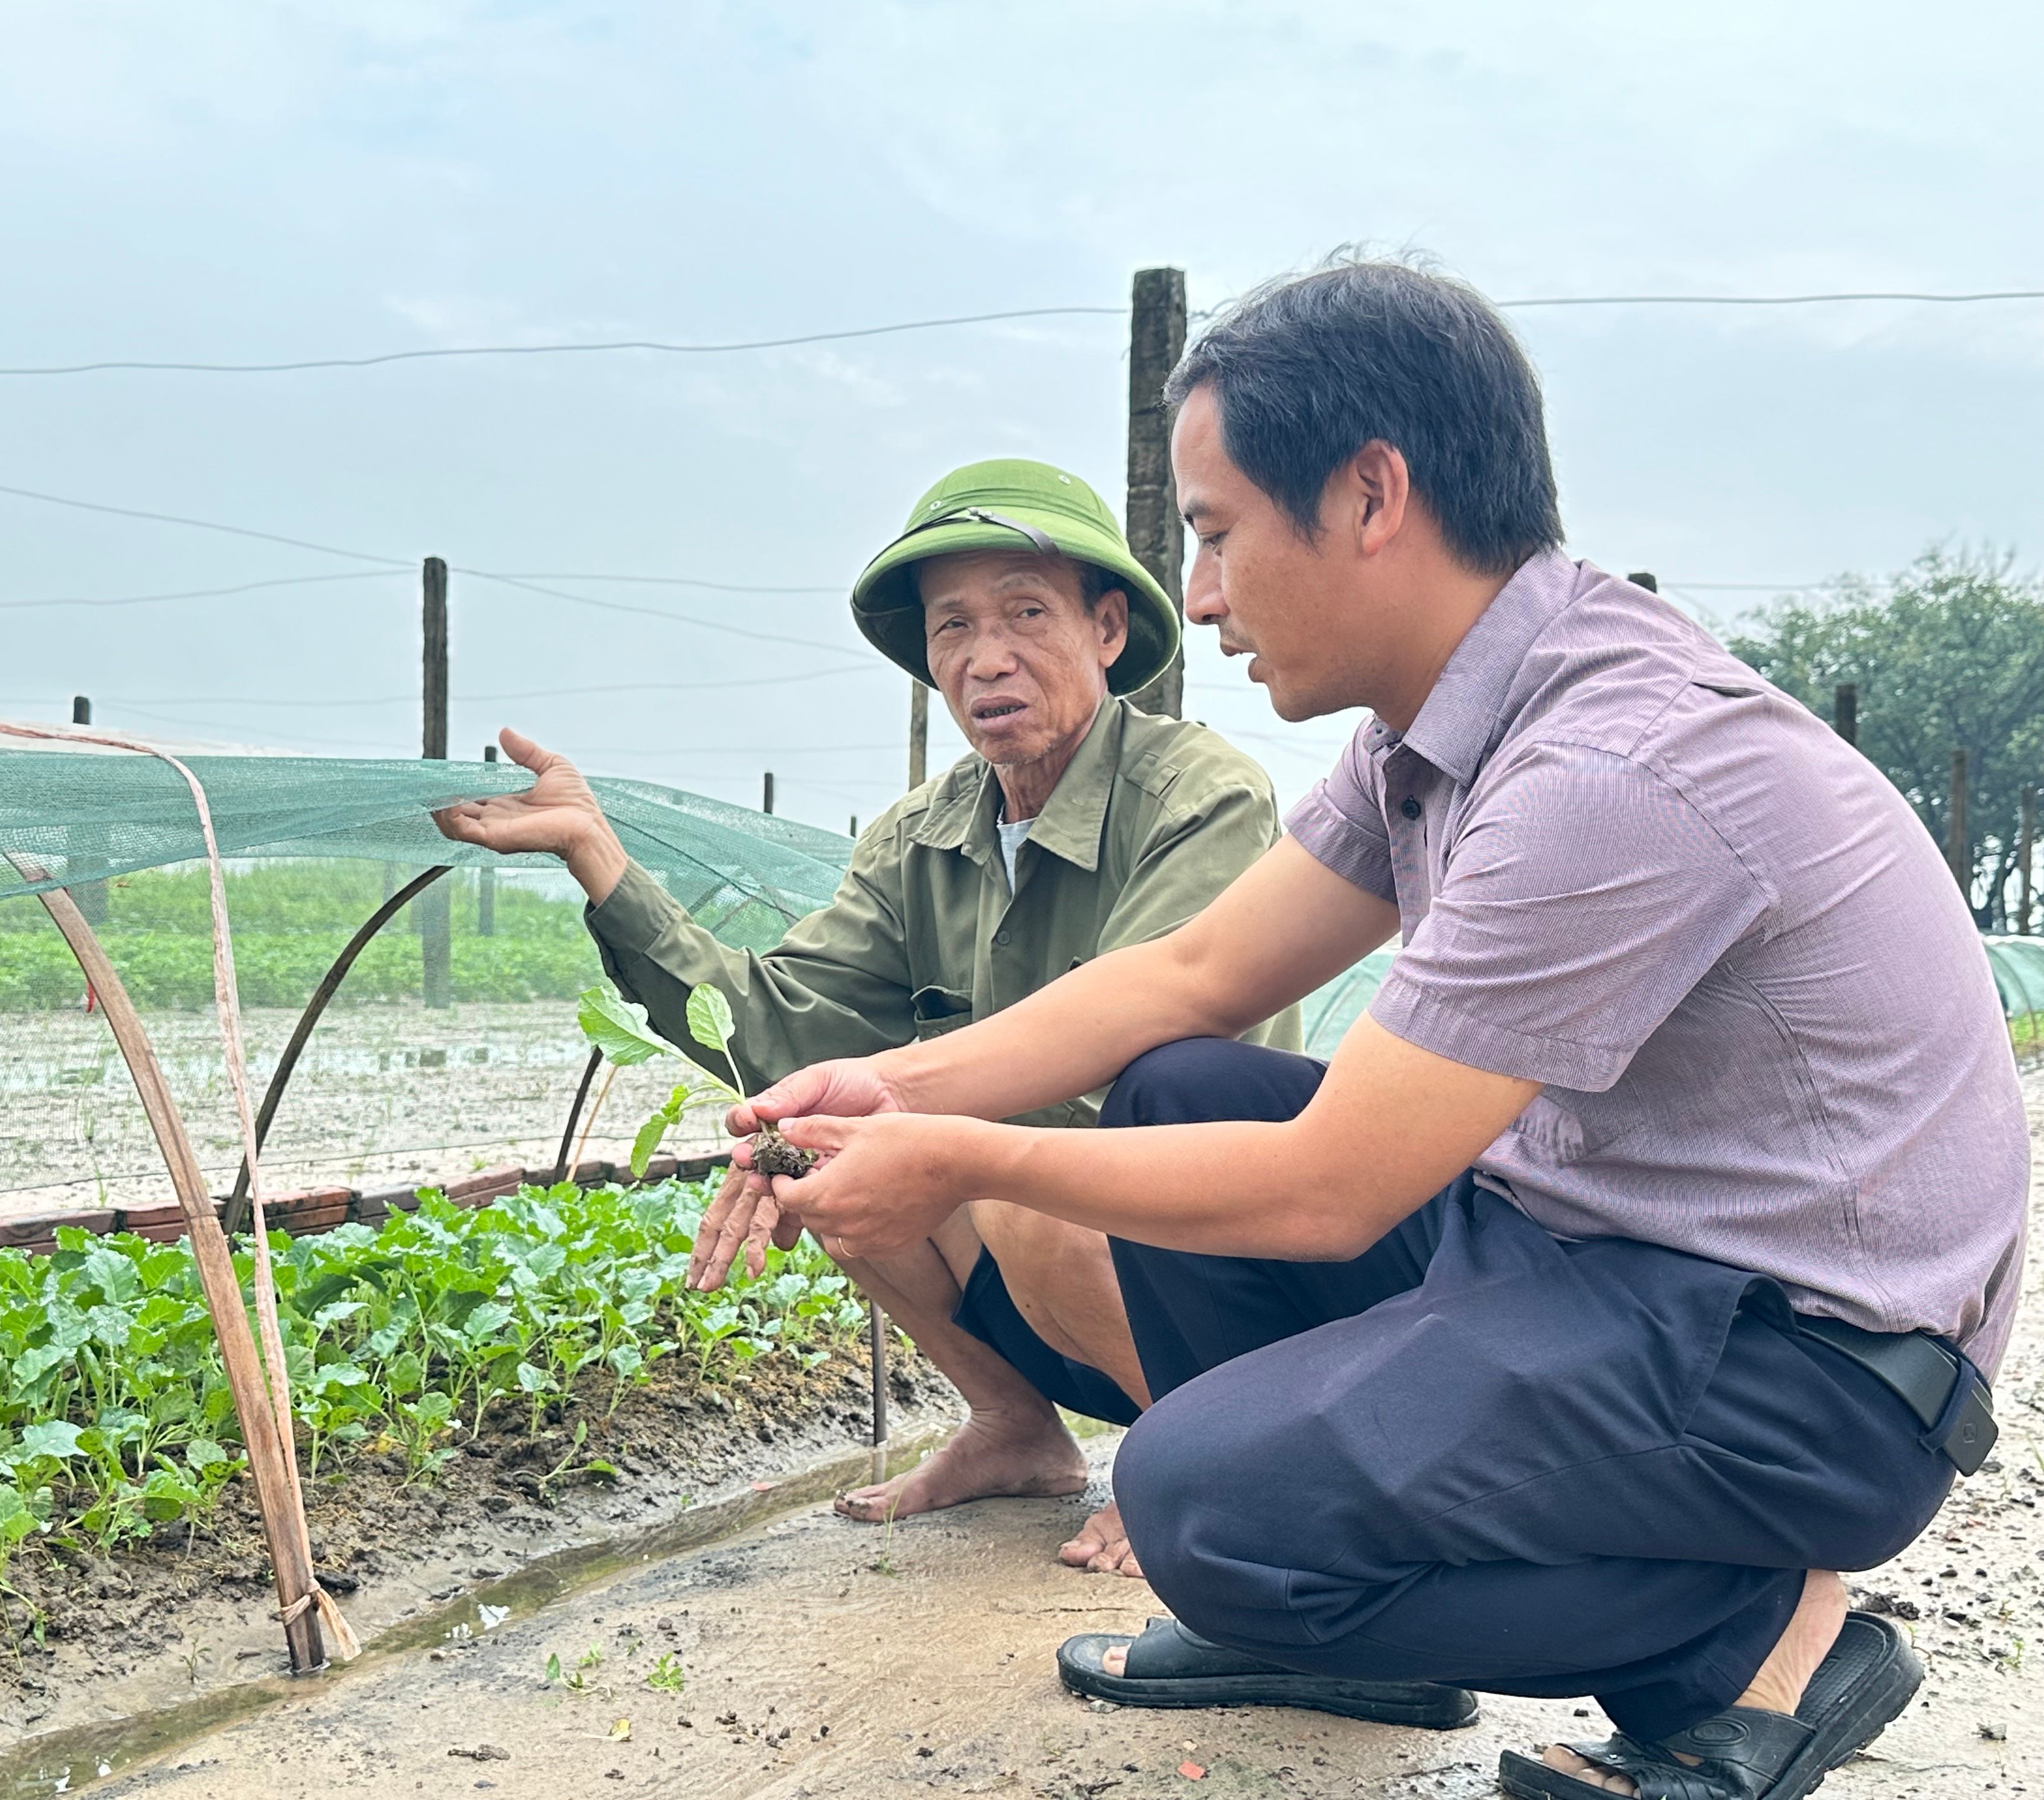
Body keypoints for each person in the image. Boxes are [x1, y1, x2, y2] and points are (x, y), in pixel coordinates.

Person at [730, 262, 2028, 1800]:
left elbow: (1329, 1189)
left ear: (1368, 494)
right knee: (1180, 1083)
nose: (1199, 600)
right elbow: (1197, 970)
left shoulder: (1607, 763)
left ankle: (1752, 1638)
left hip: (1801, 1368)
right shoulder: (1436, 730)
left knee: (1200, 1503)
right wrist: (889, 1087)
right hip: (1607, 1260)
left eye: (1214, 535)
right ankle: (1357, 1634)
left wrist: (950, 1155)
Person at [434, 458, 1300, 1577]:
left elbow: (1122, 1063)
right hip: (1044, 1268)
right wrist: (599, 859)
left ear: (1109, 628)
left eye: (1026, 614)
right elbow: (776, 1022)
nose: (986, 658)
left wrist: (923, 1128)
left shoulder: (1200, 796)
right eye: (952, 628)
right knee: (812, 1154)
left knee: (1022, 1180)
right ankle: (1014, 1429)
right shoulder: (920, 837)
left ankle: (1202, 1459)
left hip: (1207, 1267)